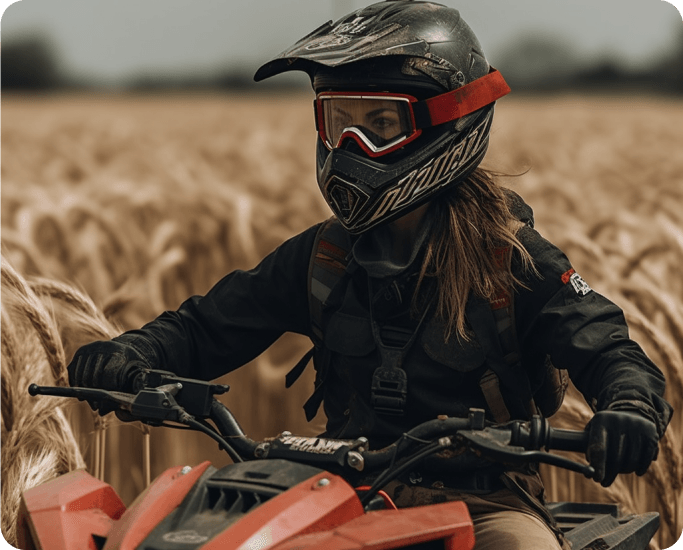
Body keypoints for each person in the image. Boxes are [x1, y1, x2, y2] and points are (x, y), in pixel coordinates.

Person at [67, 2, 672, 549]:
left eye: (380, 125)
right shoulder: (324, 256)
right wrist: (131, 353)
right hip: (332, 489)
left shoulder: (510, 260)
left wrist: (628, 407)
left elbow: (609, 347)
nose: (350, 147)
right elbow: (208, 326)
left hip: (483, 499)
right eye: (338, 123)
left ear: (446, 123)